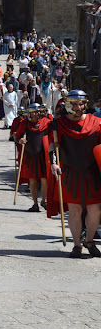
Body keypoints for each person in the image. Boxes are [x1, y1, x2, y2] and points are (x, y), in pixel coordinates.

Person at [48, 90, 101, 258]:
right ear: (69, 105)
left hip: (92, 172)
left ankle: (89, 241)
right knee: (75, 210)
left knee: (95, 210)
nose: (79, 108)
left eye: (82, 104)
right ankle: (77, 245)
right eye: (75, 105)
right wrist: (53, 163)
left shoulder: (96, 122)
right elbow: (53, 145)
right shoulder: (59, 124)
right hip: (70, 171)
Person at [14, 104, 49, 212]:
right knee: (32, 180)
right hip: (29, 155)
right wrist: (20, 140)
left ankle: (44, 201)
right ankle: (35, 204)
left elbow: (53, 136)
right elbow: (16, 136)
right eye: (32, 112)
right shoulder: (24, 123)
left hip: (42, 156)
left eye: (36, 112)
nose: (34, 114)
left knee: (44, 179)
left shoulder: (46, 123)